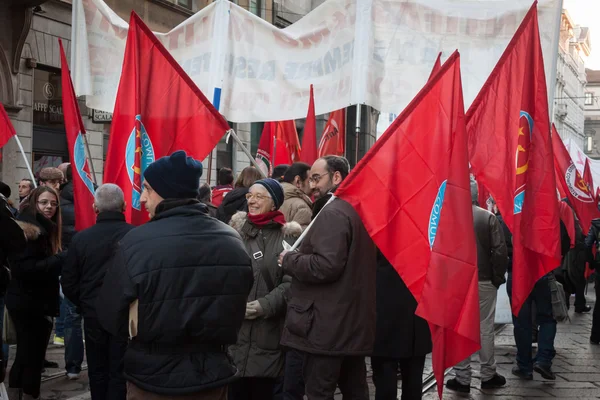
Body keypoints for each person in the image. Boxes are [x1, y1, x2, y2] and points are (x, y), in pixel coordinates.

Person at [97, 151, 254, 400]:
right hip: (212, 377)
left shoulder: (136, 242)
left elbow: (109, 315)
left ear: (165, 190)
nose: (142, 198)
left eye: (147, 188)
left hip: (152, 379)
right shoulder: (232, 239)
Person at [278, 156, 377, 400]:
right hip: (347, 321)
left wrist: (289, 260)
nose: (311, 185)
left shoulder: (333, 212)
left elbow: (326, 265)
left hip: (327, 324)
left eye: (316, 178)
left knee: (320, 391)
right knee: (355, 390)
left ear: (336, 177)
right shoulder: (356, 208)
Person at [228, 178, 301, 400]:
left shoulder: (290, 238)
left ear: (274, 203)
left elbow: (292, 283)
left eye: (260, 196)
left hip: (269, 335)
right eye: (250, 196)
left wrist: (264, 305)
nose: (252, 200)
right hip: (235, 334)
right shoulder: (232, 233)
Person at [61, 184, 134, 400]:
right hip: (125, 315)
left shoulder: (81, 239)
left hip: (94, 314)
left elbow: (69, 281)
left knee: (97, 367)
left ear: (95, 208)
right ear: (124, 206)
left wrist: (84, 303)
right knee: (120, 370)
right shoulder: (136, 236)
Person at [446, 177, 508, 393]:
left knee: (459, 329)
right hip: (483, 281)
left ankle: (462, 377)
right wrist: (497, 278)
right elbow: (500, 252)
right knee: (485, 328)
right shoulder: (488, 218)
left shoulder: (449, 218)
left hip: (457, 283)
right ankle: (488, 374)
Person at [5, 186, 67, 400]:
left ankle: (20, 394)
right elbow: (24, 269)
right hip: (28, 302)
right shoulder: (29, 230)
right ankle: (28, 394)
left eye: (53, 203)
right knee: (32, 356)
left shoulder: (43, 226)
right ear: (34, 203)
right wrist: (59, 259)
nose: (49, 207)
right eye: (44, 202)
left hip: (33, 300)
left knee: (26, 355)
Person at [371, 251, 432, 400]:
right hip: (416, 318)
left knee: (387, 382)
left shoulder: (377, 234)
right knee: (412, 382)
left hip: (386, 319)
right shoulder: (426, 233)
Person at [54, 164, 85, 380]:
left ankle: (73, 367)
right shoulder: (88, 197)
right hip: (91, 264)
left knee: (72, 317)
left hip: (68, 264)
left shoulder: (58, 203)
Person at [279, 163, 312, 230]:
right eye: (310, 181)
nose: (313, 185)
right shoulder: (302, 207)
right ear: (298, 181)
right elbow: (300, 239)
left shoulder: (268, 199)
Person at [585, 218, 600, 345]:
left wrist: (592, 263)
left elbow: (587, 244)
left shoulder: (596, 224)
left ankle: (595, 336)